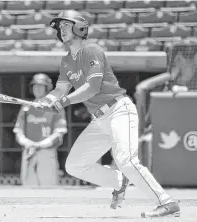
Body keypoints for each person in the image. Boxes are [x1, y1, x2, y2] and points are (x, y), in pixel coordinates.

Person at [35, 10, 180, 218]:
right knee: (75, 165)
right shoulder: (67, 61)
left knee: (126, 160)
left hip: (119, 110)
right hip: (100, 120)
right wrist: (47, 100)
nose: (61, 29)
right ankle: (119, 181)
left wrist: (64, 101)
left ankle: (167, 202)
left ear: (79, 27)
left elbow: (92, 87)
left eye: (65, 25)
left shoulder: (91, 50)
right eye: (60, 27)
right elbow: (60, 89)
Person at [13, 73, 67, 186]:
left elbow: (59, 133)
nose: (37, 89)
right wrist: (27, 143)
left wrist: (40, 145)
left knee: (48, 186)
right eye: (35, 86)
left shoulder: (55, 108)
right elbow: (18, 131)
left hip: (47, 151)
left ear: (47, 88)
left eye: (40, 86)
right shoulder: (26, 108)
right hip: (29, 150)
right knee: (28, 186)